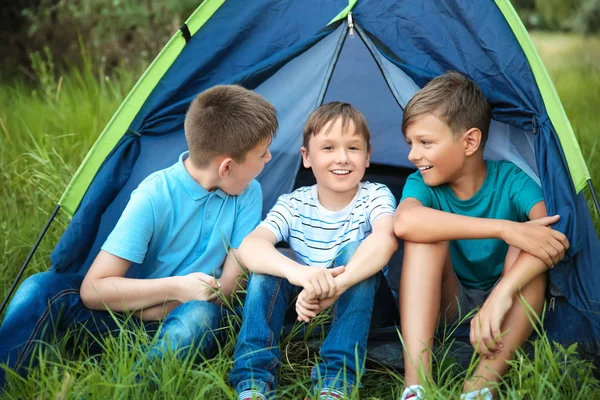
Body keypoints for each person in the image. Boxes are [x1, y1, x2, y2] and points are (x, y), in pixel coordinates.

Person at [0, 85, 277, 390]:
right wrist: (176, 288)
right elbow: (93, 291)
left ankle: (131, 388)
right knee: (40, 287)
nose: (269, 157)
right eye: (262, 153)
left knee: (199, 314)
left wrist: (172, 303)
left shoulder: (248, 193)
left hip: (192, 320)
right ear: (226, 167)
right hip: (125, 321)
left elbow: (228, 289)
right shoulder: (154, 194)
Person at [393, 72, 570, 400]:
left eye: (425, 142)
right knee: (423, 239)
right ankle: (416, 385)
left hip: (509, 307)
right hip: (451, 302)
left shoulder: (511, 180)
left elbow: (553, 234)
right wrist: (505, 227)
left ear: (470, 142)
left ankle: (480, 385)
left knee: (529, 246)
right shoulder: (421, 182)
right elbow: (404, 223)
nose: (412, 155)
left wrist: (502, 293)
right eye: (411, 144)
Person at [229, 102, 398, 400]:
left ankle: (336, 382)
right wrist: (303, 275)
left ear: (368, 156)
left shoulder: (375, 195)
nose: (342, 158)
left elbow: (385, 240)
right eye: (329, 148)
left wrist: (338, 284)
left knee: (356, 252)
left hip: (365, 307)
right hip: (307, 308)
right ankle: (254, 381)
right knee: (266, 269)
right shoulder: (294, 203)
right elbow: (250, 247)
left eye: (354, 148)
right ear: (306, 157)